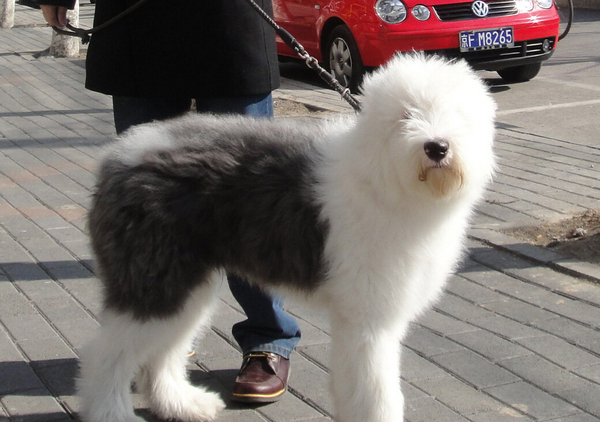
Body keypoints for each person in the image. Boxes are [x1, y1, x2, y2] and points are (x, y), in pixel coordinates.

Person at [37, 0, 300, 403]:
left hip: (230, 21)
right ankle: (158, 337)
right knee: (149, 206)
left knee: (251, 203)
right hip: (138, 23)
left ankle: (269, 336)